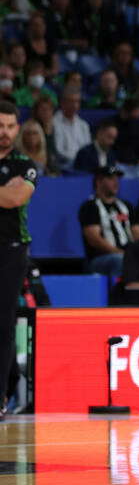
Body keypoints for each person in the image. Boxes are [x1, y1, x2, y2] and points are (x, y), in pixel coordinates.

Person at [0, 101, 36, 421]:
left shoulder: (25, 164)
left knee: (3, 319)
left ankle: (2, 395)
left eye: (11, 127)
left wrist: (7, 193)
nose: (5, 133)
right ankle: (10, 381)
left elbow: (15, 198)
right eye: (1, 126)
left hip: (11, 250)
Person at [78, 165, 139, 276]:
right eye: (110, 178)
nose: (116, 182)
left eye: (117, 178)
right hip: (101, 259)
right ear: (98, 182)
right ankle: (117, 292)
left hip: (126, 254)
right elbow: (94, 239)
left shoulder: (126, 206)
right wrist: (121, 253)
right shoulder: (90, 206)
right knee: (120, 260)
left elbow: (137, 233)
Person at [52, 86, 90, 171]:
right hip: (63, 165)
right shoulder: (53, 123)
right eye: (71, 101)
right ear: (62, 102)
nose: (75, 105)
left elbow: (87, 149)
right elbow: (58, 151)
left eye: (77, 102)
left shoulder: (83, 125)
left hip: (82, 164)